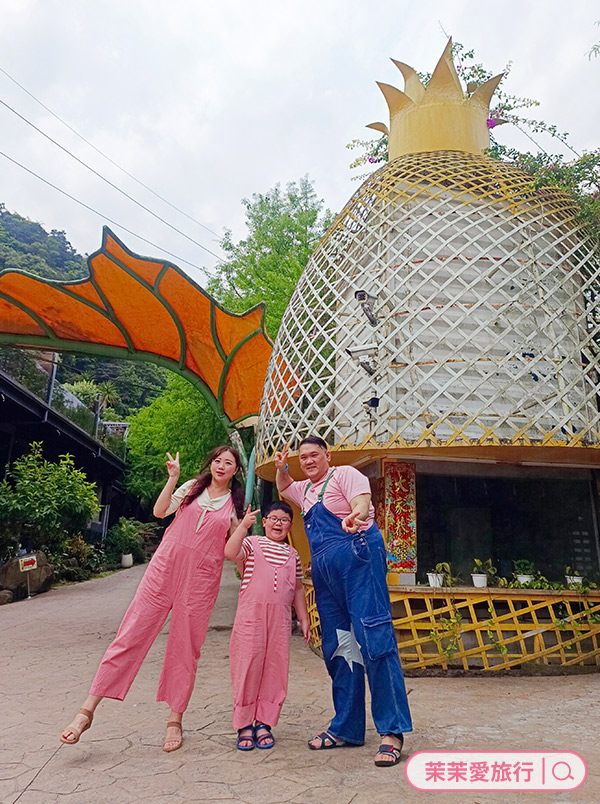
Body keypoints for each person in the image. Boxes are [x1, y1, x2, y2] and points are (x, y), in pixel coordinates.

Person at [60, 445, 244, 752]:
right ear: (210, 464)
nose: (221, 466)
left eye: (228, 462)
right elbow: (160, 512)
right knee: (130, 634)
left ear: (236, 470)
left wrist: (254, 569)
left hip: (200, 581)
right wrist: (172, 478)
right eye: (217, 460)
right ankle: (86, 711)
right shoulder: (191, 488)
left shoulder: (236, 506)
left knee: (186, 648)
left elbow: (236, 551)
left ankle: (175, 720)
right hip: (164, 570)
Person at [275, 436, 412, 767]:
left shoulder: (345, 475)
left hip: (358, 558)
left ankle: (391, 732)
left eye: (313, 455)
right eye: (302, 457)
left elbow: (361, 502)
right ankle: (347, 728)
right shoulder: (305, 492)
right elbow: (284, 488)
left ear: (327, 456)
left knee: (373, 639)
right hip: (326, 575)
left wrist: (356, 515)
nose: (308, 461)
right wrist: (281, 469)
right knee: (340, 646)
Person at [225, 500, 310, 750]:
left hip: (280, 620)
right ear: (264, 522)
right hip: (250, 616)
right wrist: (242, 527)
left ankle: (264, 722)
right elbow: (230, 552)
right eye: (273, 518)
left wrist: (303, 618)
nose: (278, 524)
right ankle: (243, 724)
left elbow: (296, 589)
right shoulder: (252, 544)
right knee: (247, 666)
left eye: (283, 520)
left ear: (290, 526)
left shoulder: (292, 554)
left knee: (275, 669)